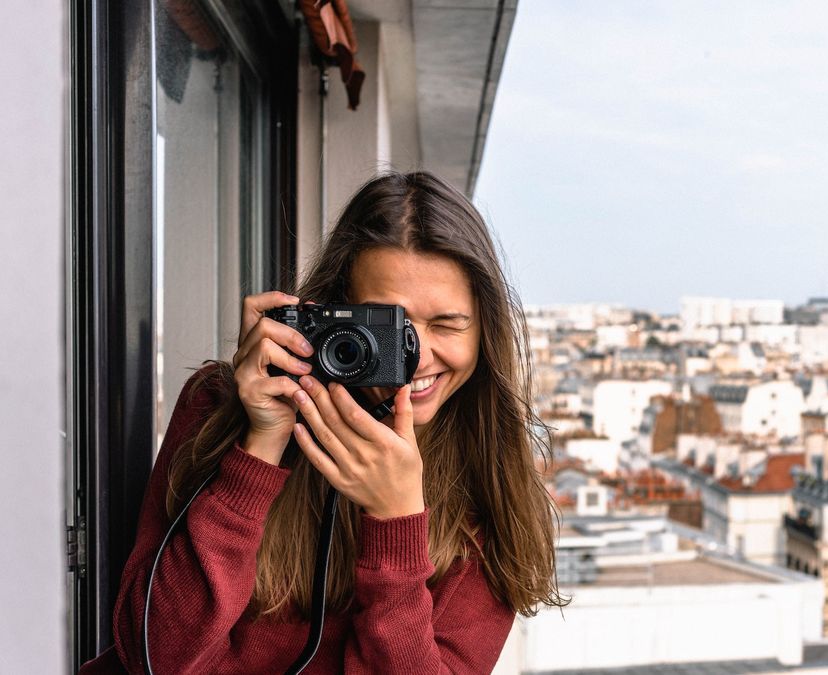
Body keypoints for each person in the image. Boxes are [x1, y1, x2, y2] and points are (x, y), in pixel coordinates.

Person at [80, 171, 566, 674]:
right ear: (332, 309)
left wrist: (396, 524)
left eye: (446, 324)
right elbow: (155, 657)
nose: (415, 358)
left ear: (485, 330)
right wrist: (259, 445)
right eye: (386, 325)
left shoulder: (489, 493)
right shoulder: (218, 406)